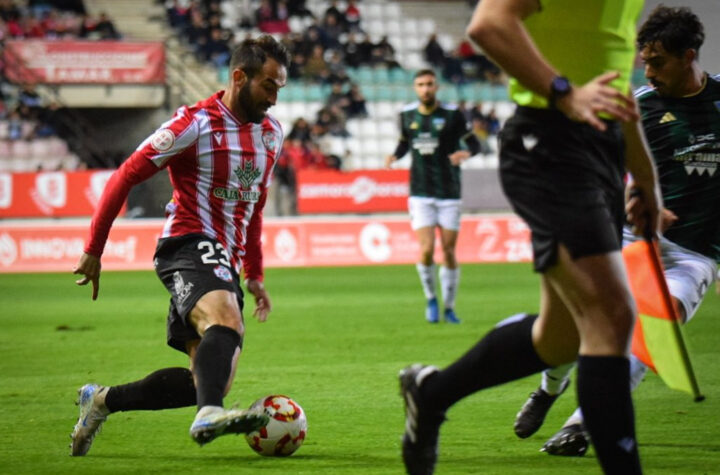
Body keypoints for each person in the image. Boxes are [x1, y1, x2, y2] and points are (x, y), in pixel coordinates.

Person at [398, 1, 662, 474]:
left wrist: (644, 178)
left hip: (601, 147)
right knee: (612, 314)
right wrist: (564, 92)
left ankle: (431, 393)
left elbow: (613, 85)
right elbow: (489, 24)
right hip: (549, 139)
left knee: (560, 337)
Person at [513, 4, 720, 457]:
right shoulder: (638, 107)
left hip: (694, 255)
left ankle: (582, 424)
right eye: (644, 61)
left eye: (658, 62)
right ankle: (549, 389)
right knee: (581, 327)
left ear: (689, 56)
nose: (649, 70)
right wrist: (628, 197)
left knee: (650, 331)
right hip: (629, 240)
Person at [69, 35, 290, 456]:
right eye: (269, 86)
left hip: (225, 260)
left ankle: (99, 400)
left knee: (208, 378)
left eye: (280, 88)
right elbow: (126, 175)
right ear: (239, 77)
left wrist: (255, 273)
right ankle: (209, 414)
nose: (275, 98)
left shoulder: (271, 135)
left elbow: (254, 207)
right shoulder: (194, 123)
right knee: (227, 324)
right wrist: (94, 247)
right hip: (187, 242)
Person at [384, 69, 480, 324]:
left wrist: (465, 155)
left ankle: (449, 306)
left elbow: (475, 144)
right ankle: (430, 299)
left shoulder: (452, 115)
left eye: (429, 84)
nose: (425, 89)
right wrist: (395, 155)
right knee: (426, 250)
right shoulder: (406, 115)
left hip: (449, 192)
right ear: (415, 88)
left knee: (448, 251)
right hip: (420, 192)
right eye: (420, 84)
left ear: (436, 87)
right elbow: (405, 142)